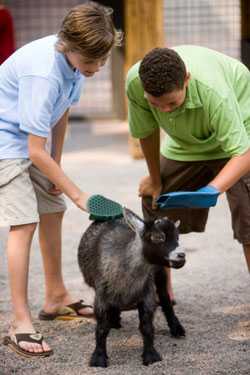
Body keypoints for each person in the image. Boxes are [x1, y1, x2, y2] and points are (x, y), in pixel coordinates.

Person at [0, 1, 121, 358]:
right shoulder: (45, 72)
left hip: (33, 141)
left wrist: (58, 164)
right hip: (5, 141)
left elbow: (61, 113)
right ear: (68, 47)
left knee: (53, 209)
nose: (97, 69)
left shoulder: (74, 66)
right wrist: (78, 193)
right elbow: (32, 149)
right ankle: (19, 321)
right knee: (23, 223)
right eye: (91, 63)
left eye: (102, 61)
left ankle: (55, 297)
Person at [126, 45, 250, 302]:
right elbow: (146, 131)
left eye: (171, 102)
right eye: (156, 104)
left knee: (248, 216)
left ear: (186, 80)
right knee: (154, 203)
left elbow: (243, 152)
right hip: (187, 144)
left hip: (243, 134)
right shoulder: (135, 82)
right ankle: (162, 292)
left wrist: (211, 190)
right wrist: (155, 179)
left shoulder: (214, 91)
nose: (165, 110)